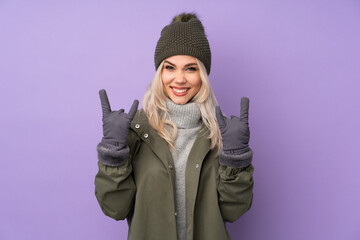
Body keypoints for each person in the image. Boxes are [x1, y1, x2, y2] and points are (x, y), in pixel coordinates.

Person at [94, 12, 254, 240]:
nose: (179, 79)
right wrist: (112, 153)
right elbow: (115, 208)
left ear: (203, 75)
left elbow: (233, 211)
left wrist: (236, 159)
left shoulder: (222, 134)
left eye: (190, 68)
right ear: (159, 73)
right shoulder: (135, 132)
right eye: (170, 67)